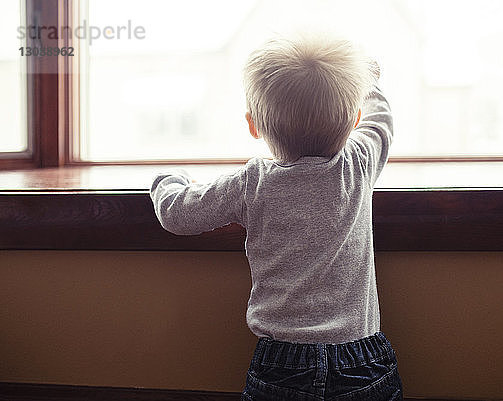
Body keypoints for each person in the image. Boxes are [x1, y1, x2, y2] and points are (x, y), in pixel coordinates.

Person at [150, 32, 403, 400]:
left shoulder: (252, 183)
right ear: (354, 121)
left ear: (253, 125)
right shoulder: (358, 164)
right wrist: (371, 79)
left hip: (281, 364)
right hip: (362, 358)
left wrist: (167, 181)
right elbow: (381, 122)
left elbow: (178, 214)